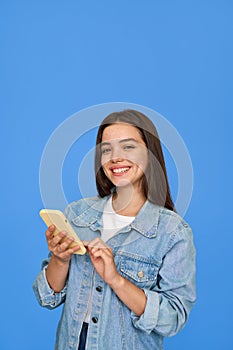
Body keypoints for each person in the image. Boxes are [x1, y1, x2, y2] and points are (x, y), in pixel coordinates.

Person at [33, 109, 196, 350]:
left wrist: (116, 280)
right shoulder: (77, 215)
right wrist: (60, 259)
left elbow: (173, 318)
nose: (115, 157)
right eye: (106, 149)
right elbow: (47, 297)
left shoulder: (173, 232)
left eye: (128, 147)